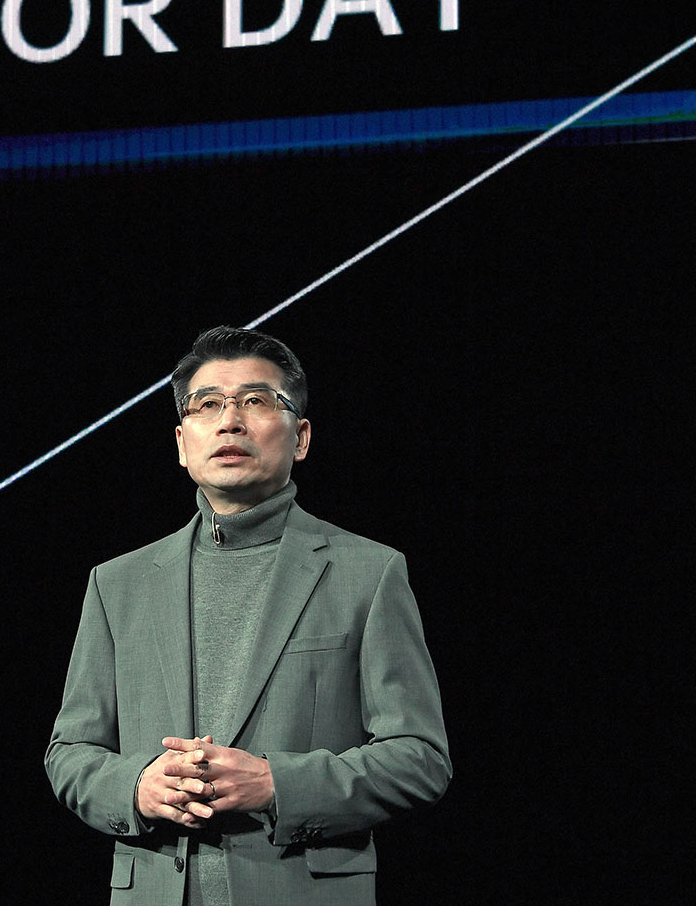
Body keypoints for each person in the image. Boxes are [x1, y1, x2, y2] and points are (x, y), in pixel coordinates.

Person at [46, 326, 451, 905]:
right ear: (182, 442)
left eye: (256, 401)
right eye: (208, 404)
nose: (230, 421)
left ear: (301, 437)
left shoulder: (370, 571)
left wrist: (275, 783)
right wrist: (136, 786)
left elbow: (420, 758)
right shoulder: (117, 584)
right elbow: (70, 754)